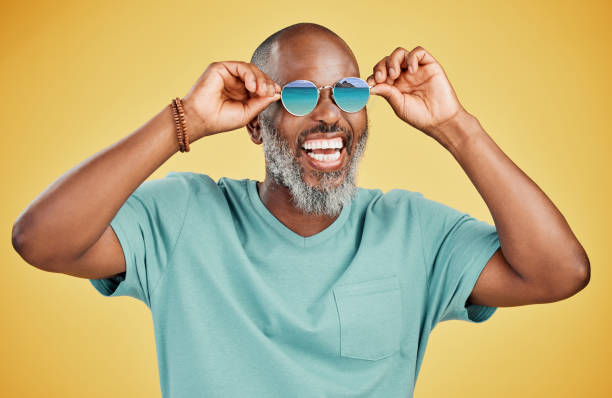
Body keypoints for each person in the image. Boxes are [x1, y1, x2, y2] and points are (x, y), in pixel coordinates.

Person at [11, 22, 590, 398]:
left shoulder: (413, 232)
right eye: (298, 95)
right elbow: (40, 241)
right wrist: (182, 120)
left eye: (348, 92)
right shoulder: (183, 214)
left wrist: (455, 128)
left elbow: (560, 273)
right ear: (257, 126)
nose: (330, 115)